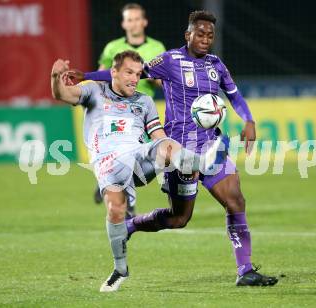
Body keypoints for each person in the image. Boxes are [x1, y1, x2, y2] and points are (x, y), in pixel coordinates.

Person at [69, 10, 278, 287]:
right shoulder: (170, 60)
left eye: (210, 35)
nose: (206, 39)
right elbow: (130, 74)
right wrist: (86, 75)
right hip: (178, 152)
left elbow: (235, 96)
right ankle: (131, 225)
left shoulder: (217, 65)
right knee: (179, 218)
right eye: (200, 34)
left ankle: (245, 270)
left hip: (210, 144)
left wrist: (249, 120)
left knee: (236, 201)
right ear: (188, 35)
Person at [51, 51, 223, 292]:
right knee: (116, 210)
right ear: (114, 73)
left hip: (138, 155)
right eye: (129, 73)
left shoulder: (144, 102)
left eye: (138, 74)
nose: (135, 78)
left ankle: (199, 163)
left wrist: (172, 154)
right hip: (107, 163)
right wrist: (56, 76)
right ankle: (120, 270)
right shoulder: (94, 91)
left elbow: (158, 136)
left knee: (164, 145)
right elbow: (63, 94)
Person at [93, 3, 166, 211]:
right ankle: (126, 202)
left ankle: (110, 177)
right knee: (129, 155)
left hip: (142, 111)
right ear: (124, 23)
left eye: (137, 19)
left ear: (144, 22)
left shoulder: (157, 48)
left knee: (143, 158)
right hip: (116, 111)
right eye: (129, 20)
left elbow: (163, 82)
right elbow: (101, 76)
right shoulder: (112, 48)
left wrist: (149, 75)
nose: (133, 24)